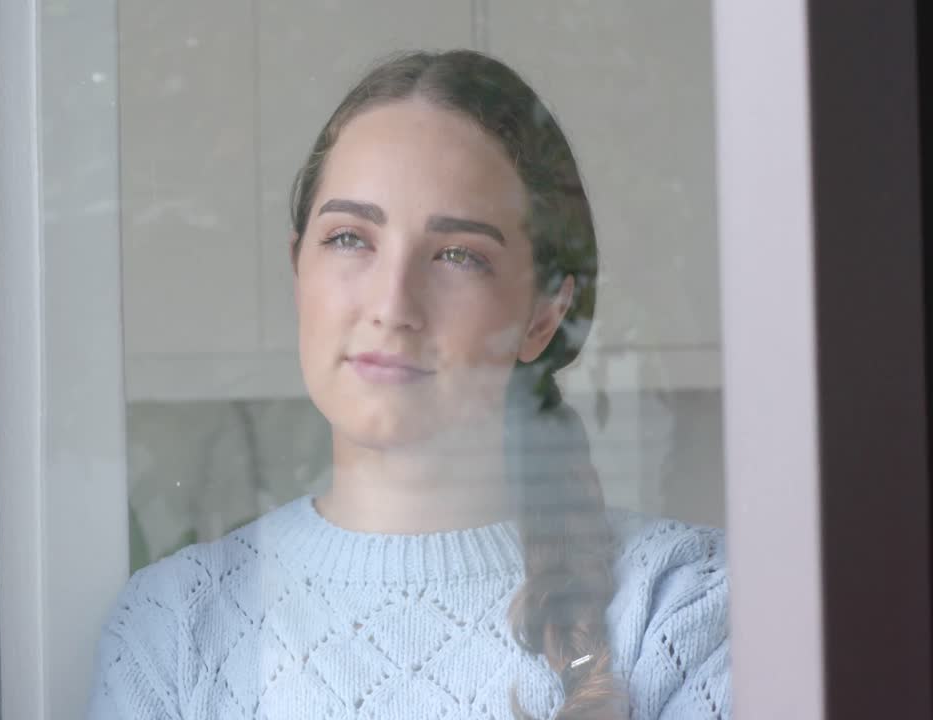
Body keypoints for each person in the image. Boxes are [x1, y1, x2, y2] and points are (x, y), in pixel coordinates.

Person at [87, 49, 729, 719]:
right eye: (349, 239)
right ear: (297, 266)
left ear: (545, 314)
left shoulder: (681, 605)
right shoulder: (174, 628)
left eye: (458, 255)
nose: (393, 304)